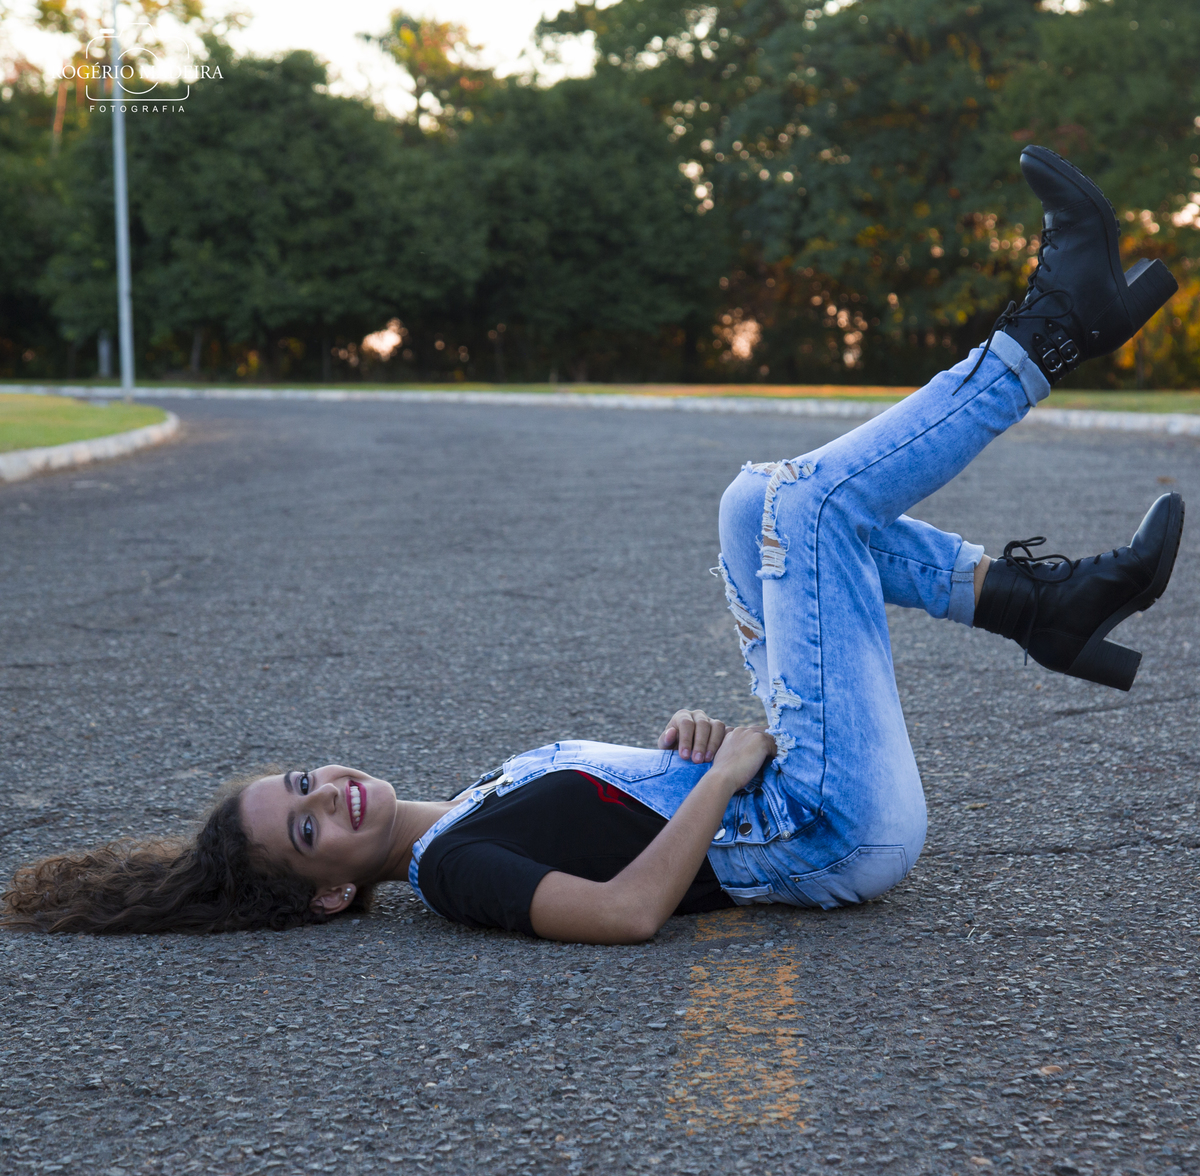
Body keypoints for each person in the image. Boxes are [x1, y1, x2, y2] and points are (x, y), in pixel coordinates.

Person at [2, 146, 1184, 944]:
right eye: (306, 830)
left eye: (300, 781)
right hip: (832, 829)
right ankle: (1046, 337)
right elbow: (625, 913)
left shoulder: (478, 794)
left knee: (751, 506)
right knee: (801, 510)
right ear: (326, 896)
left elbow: (636, 819)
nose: (328, 795)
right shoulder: (450, 871)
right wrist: (717, 781)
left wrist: (689, 752)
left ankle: (1033, 602)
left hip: (801, 798)